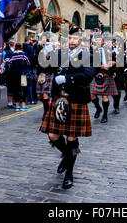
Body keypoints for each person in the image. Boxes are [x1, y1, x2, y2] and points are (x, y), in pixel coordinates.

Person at [40, 27, 94, 189]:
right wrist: (46, 54)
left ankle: (69, 173)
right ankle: (65, 154)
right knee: (53, 135)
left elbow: (87, 76)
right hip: (59, 100)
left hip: (76, 99)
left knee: (71, 138)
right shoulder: (60, 54)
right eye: (69, 38)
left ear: (80, 41)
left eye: (75, 38)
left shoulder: (88, 56)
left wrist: (67, 78)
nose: (71, 41)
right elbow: (46, 68)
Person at [90, 33, 118, 124]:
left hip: (107, 75)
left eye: (99, 40)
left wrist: (113, 63)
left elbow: (117, 63)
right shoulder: (91, 52)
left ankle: (105, 115)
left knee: (104, 96)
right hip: (96, 74)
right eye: (96, 40)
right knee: (92, 95)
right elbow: (90, 65)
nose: (97, 41)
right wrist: (100, 66)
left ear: (103, 42)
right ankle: (98, 108)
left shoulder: (110, 51)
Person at [4, 43, 31, 111]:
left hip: (14, 74)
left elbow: (9, 64)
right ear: (21, 47)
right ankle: (23, 105)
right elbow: (28, 63)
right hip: (23, 73)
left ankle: (17, 105)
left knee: (16, 89)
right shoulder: (24, 54)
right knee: (24, 89)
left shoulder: (12, 54)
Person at [36, 35, 55, 116]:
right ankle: (48, 108)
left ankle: (46, 112)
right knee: (39, 95)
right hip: (40, 74)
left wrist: (48, 59)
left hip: (49, 73)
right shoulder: (38, 49)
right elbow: (35, 61)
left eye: (43, 38)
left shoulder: (52, 49)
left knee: (45, 94)